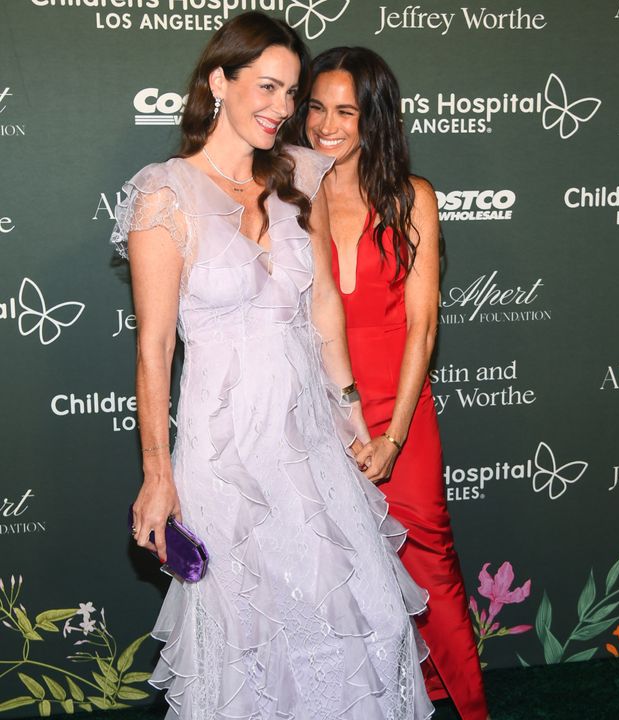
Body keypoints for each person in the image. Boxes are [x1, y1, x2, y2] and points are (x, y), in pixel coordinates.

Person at [116, 13, 433, 719]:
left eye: (291, 92)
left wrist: (353, 421)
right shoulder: (164, 195)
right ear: (217, 82)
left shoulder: (297, 178)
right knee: (253, 642)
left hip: (310, 440)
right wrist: (158, 477)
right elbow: (154, 350)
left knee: (369, 621)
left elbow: (323, 309)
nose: (283, 108)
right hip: (226, 453)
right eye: (266, 86)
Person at [287, 46, 489, 720]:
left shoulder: (412, 199)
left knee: (428, 567)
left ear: (374, 118)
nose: (326, 124)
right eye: (315, 106)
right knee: (327, 573)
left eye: (345, 110)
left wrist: (394, 437)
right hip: (314, 412)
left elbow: (422, 327)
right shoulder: (283, 194)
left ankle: (459, 707)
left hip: (398, 409)